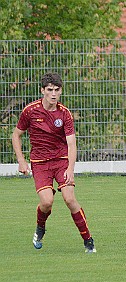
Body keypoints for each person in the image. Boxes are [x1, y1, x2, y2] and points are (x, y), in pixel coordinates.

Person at [12, 72, 96, 253]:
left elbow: (72, 143)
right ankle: (40, 227)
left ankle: (88, 240)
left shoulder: (64, 114)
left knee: (69, 198)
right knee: (47, 202)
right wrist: (21, 160)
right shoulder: (30, 111)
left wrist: (71, 169)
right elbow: (16, 135)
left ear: (61, 91)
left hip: (61, 161)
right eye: (49, 90)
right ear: (42, 90)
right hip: (40, 163)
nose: (53, 94)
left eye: (57, 90)